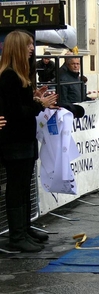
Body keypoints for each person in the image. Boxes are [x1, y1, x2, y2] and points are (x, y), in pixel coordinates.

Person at [0, 31, 58, 252]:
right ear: (18, 48)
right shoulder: (9, 76)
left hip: (24, 139)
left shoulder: (19, 75)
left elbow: (21, 106)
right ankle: (17, 235)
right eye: (29, 45)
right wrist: (39, 104)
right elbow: (15, 112)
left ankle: (25, 228)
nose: (32, 48)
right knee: (17, 187)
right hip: (14, 141)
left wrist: (35, 98)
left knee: (25, 186)